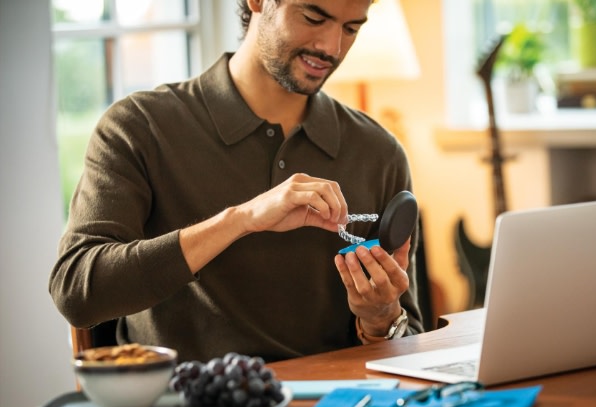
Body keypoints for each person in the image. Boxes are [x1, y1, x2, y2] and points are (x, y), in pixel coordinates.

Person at [49, 0, 424, 363]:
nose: (332, 47)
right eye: (313, 17)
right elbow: (77, 292)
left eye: (351, 27)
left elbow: (408, 343)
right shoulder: (139, 127)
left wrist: (380, 319)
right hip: (187, 406)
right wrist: (241, 220)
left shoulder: (380, 153)